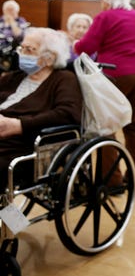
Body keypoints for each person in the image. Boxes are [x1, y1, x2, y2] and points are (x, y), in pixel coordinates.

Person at [74, 0, 135, 185]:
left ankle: (112, 180)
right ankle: (134, 176)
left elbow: (87, 46)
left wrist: (75, 44)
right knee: (134, 125)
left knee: (107, 124)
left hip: (114, 74)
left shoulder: (105, 17)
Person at [0, 27, 82, 191]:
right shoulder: (15, 77)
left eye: (29, 50)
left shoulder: (64, 80)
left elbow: (67, 114)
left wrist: (20, 125)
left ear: (49, 58)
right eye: (21, 48)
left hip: (23, 146)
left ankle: (12, 217)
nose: (22, 54)